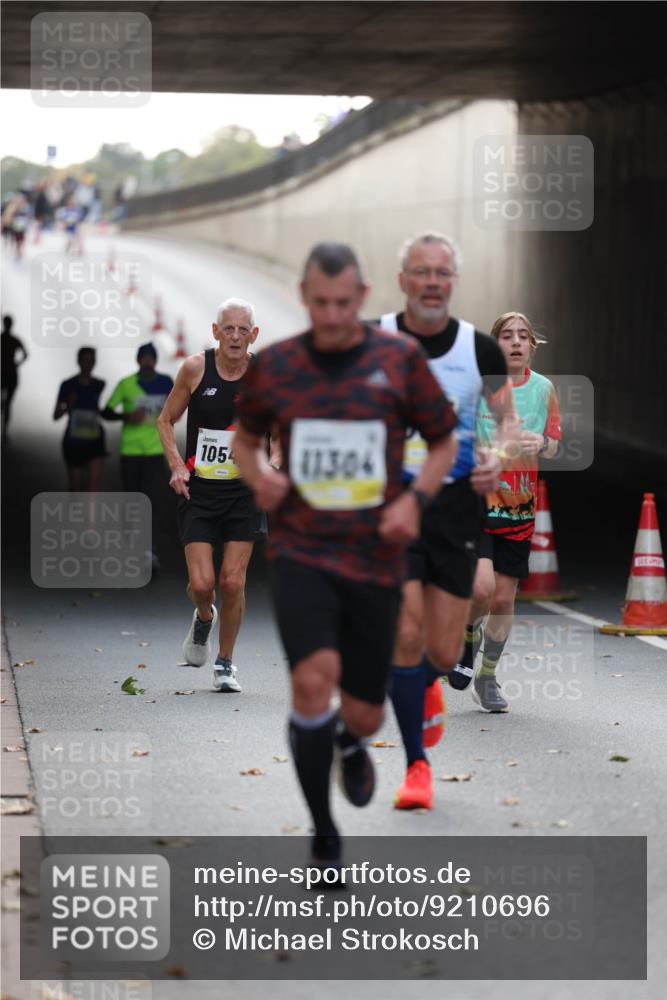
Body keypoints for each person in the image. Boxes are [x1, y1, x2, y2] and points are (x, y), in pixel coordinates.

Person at [233, 242, 458, 874]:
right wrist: (260, 477)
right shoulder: (275, 366)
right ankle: (324, 832)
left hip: (376, 556)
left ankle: (351, 742)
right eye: (320, 302)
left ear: (361, 297)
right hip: (303, 550)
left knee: (364, 707)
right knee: (311, 681)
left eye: (343, 303)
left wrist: (415, 498)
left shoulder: (399, 361)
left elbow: (442, 442)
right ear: (305, 297)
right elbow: (247, 442)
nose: (331, 316)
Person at [378, 231, 516, 811]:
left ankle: (431, 683)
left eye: (442, 273)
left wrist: (498, 457)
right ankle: (416, 768)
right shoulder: (373, 340)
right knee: (404, 635)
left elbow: (505, 421)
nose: (432, 282)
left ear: (452, 282)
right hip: (392, 509)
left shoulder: (479, 349)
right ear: (403, 280)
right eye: (421, 271)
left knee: (436, 650)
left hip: (458, 510)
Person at [157, 299, 274, 693]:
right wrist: (176, 465)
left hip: (244, 493)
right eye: (229, 329)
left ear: (254, 335)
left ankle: (225, 664)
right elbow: (165, 419)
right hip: (201, 490)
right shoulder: (195, 368)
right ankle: (204, 617)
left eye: (244, 330)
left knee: (233, 582)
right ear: (215, 331)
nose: (236, 337)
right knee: (203, 583)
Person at [452, 311, 561, 711]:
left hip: (519, 507)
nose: (515, 342)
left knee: (502, 601)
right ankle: (465, 639)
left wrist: (540, 444)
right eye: (507, 336)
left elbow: (555, 444)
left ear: (532, 345)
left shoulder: (545, 389)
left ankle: (488, 676)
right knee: (480, 590)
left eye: (523, 336)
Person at [102, 343, 174, 570]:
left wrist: (170, 417)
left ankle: (150, 549)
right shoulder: (127, 384)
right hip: (130, 451)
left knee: (153, 501)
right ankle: (129, 542)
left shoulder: (166, 383)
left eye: (150, 358)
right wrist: (126, 416)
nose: (147, 362)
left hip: (155, 451)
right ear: (137, 360)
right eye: (143, 358)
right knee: (132, 501)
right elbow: (106, 411)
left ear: (155, 360)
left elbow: (179, 407)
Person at [54, 347, 107, 491]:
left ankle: (89, 513)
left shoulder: (100, 385)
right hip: (74, 441)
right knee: (75, 489)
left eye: (91, 360)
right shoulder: (68, 385)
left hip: (95, 441)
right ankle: (75, 513)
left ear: (95, 362)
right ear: (78, 361)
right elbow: (56, 415)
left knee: (92, 490)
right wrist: (67, 407)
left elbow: (105, 411)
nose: (88, 363)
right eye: (85, 360)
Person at [1, 315, 28, 437]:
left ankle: (5, 431)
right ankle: (5, 431)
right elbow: (25, 354)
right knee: (8, 404)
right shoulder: (14, 340)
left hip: (4, 373)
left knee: (6, 403)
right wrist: (17, 364)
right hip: (11, 373)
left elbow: (25, 354)